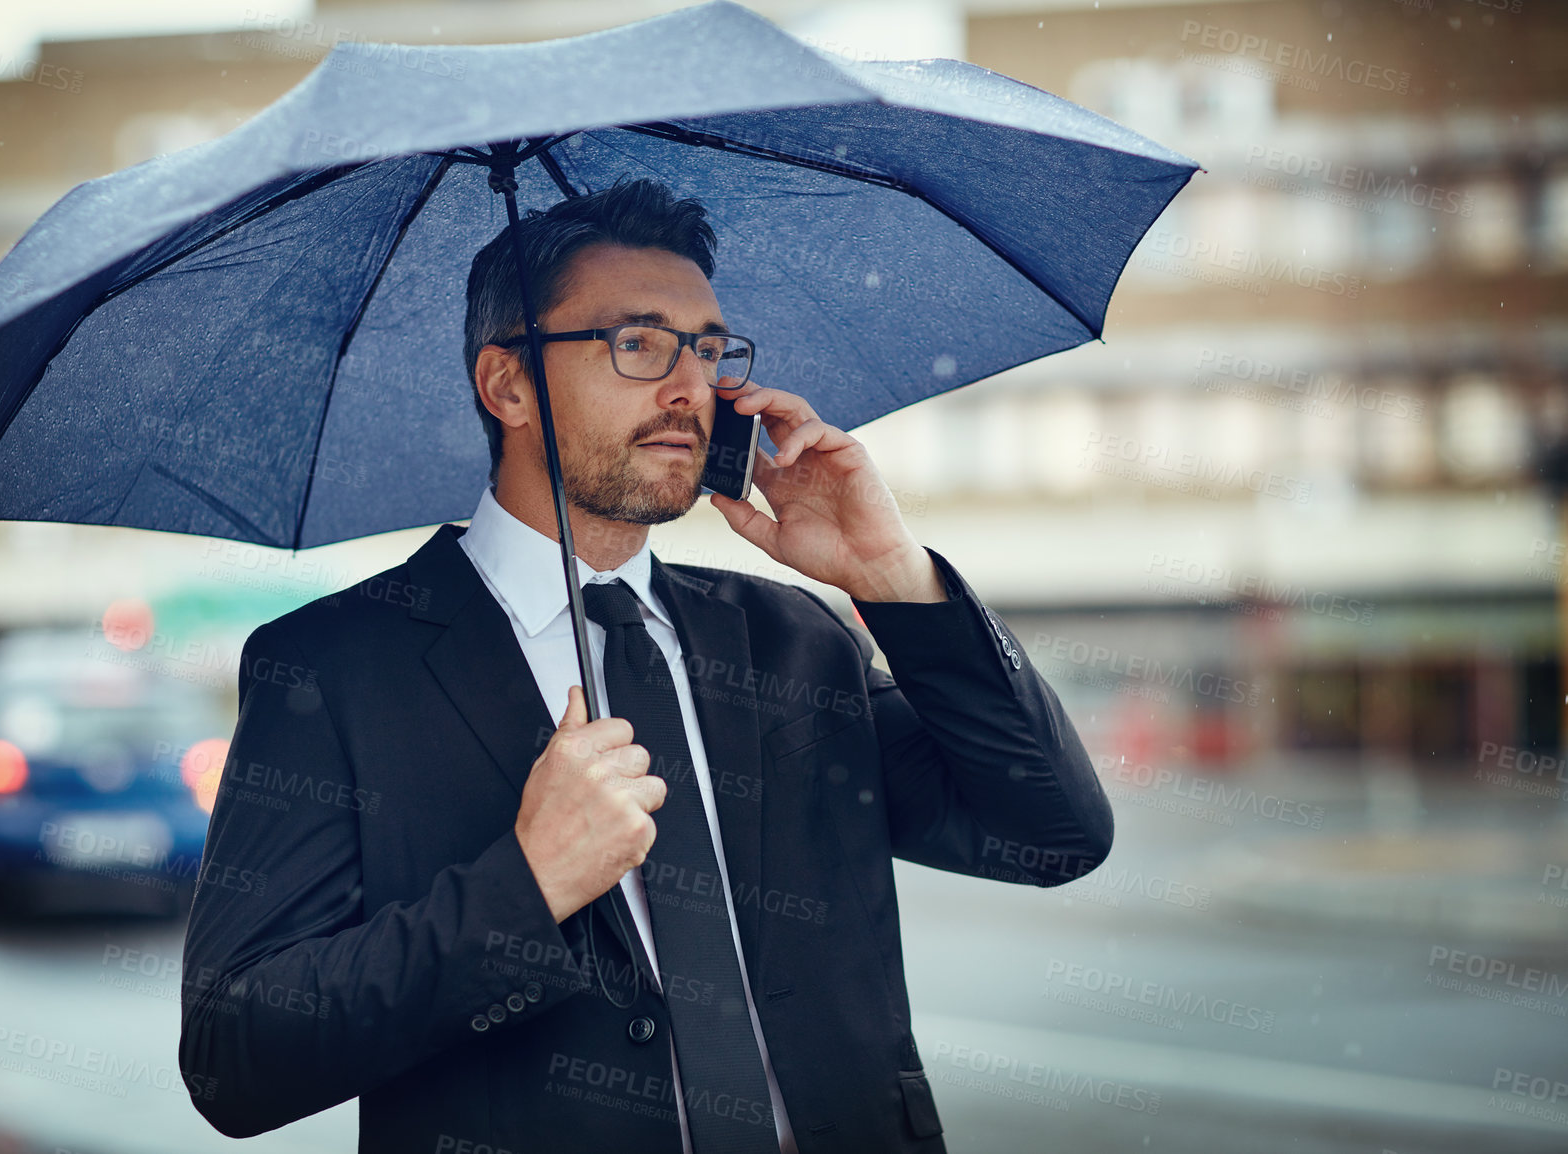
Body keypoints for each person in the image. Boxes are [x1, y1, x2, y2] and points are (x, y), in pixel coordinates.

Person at [179, 178, 1112, 1154]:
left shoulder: (794, 637)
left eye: (707, 348)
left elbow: (1050, 836)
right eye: (638, 343)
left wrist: (893, 578)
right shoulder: (332, 669)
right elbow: (235, 1055)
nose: (690, 388)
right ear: (507, 385)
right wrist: (525, 885)